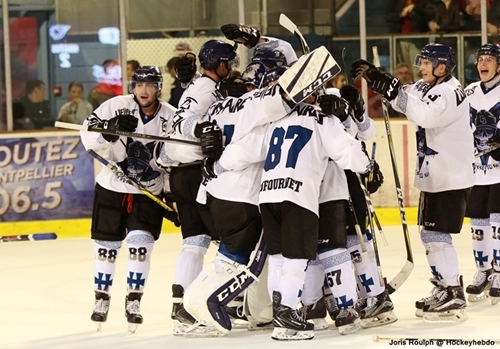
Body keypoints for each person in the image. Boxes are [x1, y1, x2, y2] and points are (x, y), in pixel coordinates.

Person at [351, 43, 474, 323]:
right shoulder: (425, 85)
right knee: (431, 236)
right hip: (435, 175)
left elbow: (425, 115)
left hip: (451, 176)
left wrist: (391, 89)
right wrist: (377, 77)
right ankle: (445, 286)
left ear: (442, 67)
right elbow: (404, 97)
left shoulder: (452, 92)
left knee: (437, 237)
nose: (422, 67)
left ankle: (453, 290)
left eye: (427, 63)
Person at [80, 66, 176, 332]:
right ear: (133, 86)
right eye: (139, 85)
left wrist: (170, 193)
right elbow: (86, 135)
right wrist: (108, 132)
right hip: (112, 187)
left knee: (140, 249)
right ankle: (101, 300)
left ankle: (133, 302)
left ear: (159, 87)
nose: (144, 90)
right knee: (106, 250)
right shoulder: (115, 106)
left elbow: (176, 158)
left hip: (148, 192)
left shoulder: (171, 116)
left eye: (150, 85)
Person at [156, 39, 239, 333]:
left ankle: (182, 308)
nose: (232, 67)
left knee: (194, 242)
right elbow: (190, 120)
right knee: (229, 236)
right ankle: (226, 298)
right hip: (196, 174)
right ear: (220, 64)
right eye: (230, 61)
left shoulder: (196, 86)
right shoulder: (205, 88)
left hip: (181, 175)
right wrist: (200, 129)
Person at [463, 43, 500, 304]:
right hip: (476, 171)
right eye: (480, 59)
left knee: (498, 226)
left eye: (489, 59)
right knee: (478, 226)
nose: (483, 64)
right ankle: (484, 270)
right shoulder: (468, 92)